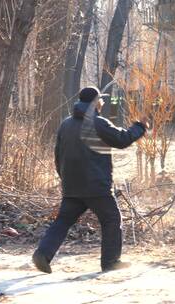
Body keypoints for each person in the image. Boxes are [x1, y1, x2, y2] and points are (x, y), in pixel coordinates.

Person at [33, 86, 147, 273]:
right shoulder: (98, 123)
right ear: (96, 103)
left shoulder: (66, 124)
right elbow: (122, 139)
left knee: (63, 221)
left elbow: (57, 156)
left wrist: (66, 179)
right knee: (111, 219)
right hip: (96, 187)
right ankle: (110, 262)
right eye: (100, 100)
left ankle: (42, 254)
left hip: (72, 186)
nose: (102, 103)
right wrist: (139, 127)